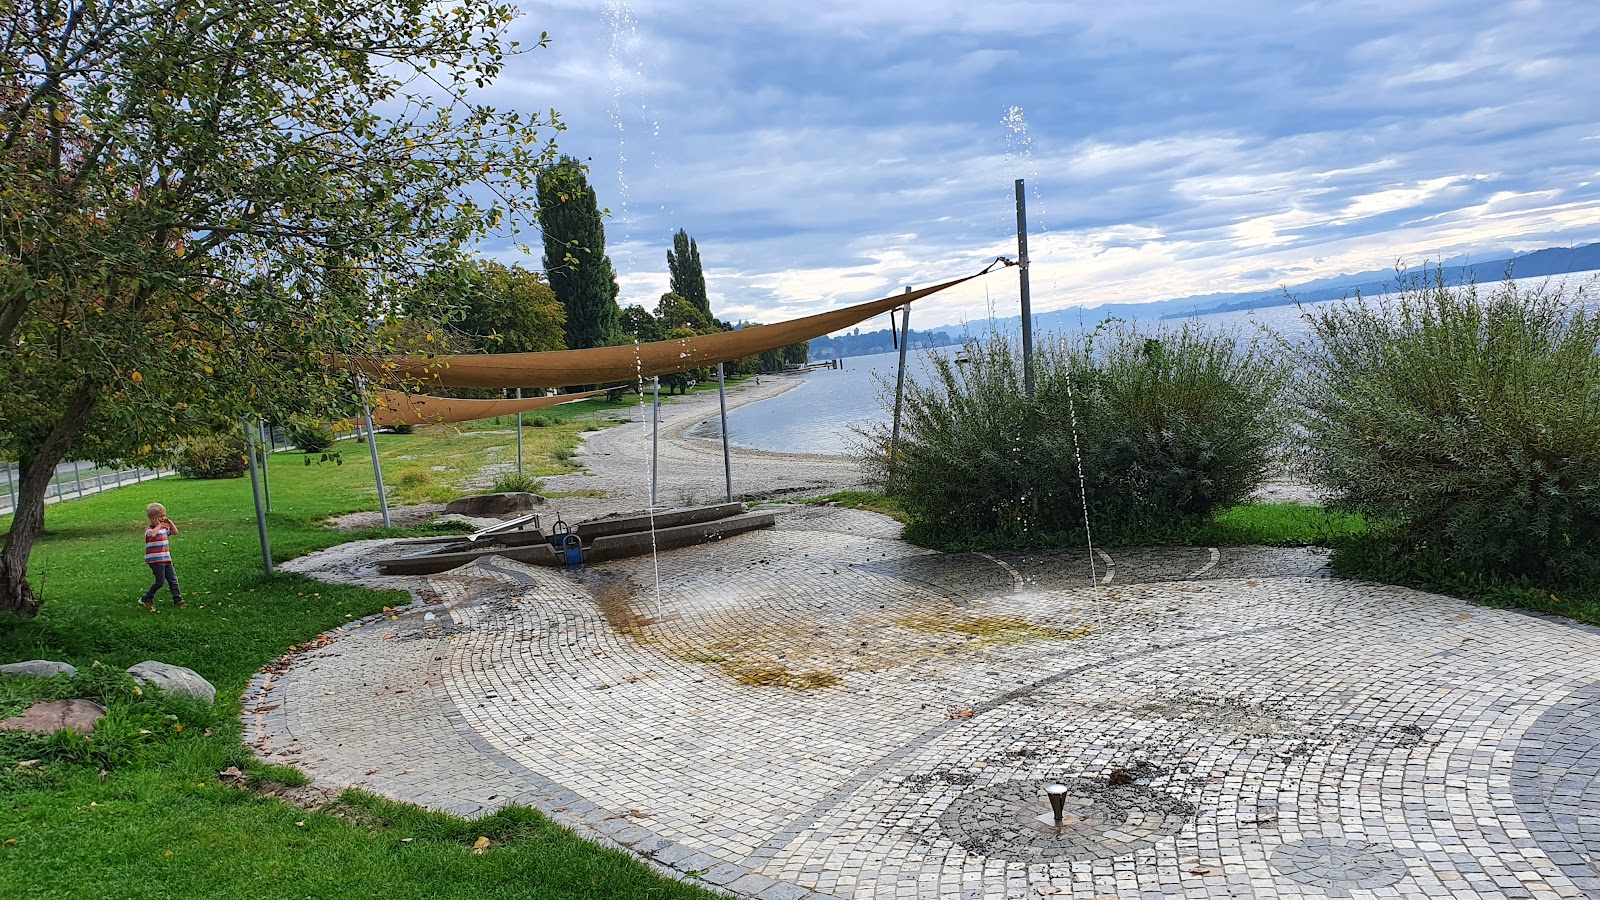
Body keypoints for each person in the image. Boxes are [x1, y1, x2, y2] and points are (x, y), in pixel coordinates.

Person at [139, 502, 185, 611]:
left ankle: (178, 599)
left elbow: (175, 532)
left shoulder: (164, 529)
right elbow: (152, 535)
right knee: (160, 581)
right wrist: (158, 525)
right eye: (160, 516)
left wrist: (170, 522)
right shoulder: (149, 530)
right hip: (156, 561)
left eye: (164, 515)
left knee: (173, 579)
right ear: (152, 518)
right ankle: (146, 598)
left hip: (166, 559)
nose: (163, 518)